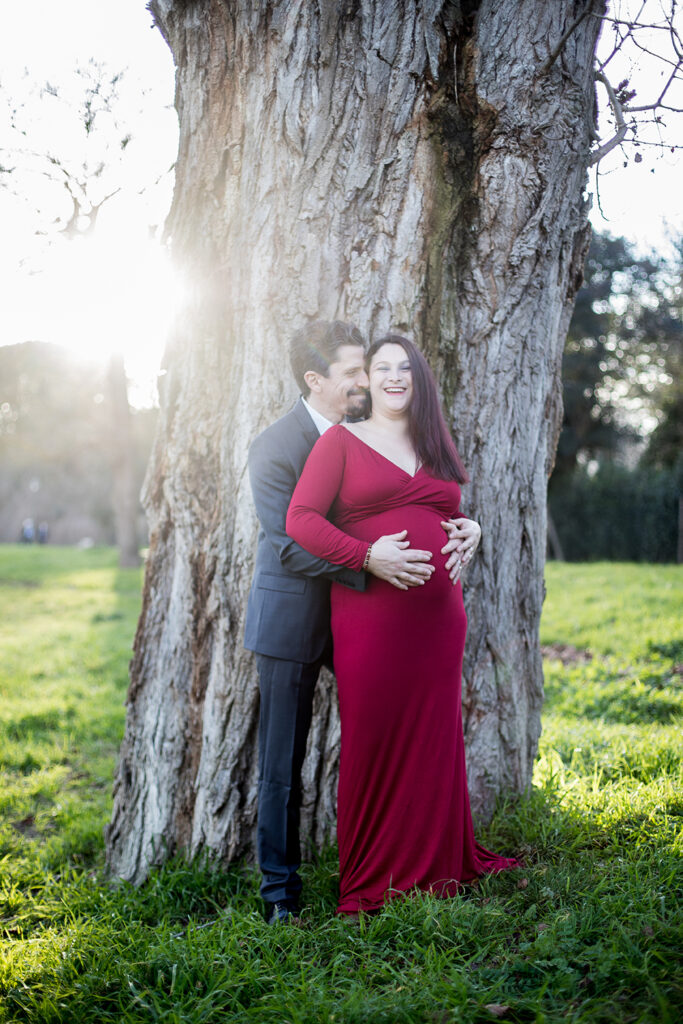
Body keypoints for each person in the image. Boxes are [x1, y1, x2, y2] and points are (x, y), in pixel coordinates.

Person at [286, 333, 518, 916]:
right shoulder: (341, 441)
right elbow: (301, 520)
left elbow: (448, 511)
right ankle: (372, 879)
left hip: (439, 622)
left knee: (434, 740)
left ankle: (439, 865)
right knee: (375, 740)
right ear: (367, 378)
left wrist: (474, 531)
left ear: (418, 379)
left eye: (403, 368)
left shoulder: (434, 443)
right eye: (380, 367)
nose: (392, 377)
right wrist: (368, 556)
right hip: (372, 619)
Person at [245, 321, 459, 925]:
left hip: (363, 620)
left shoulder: (363, 436)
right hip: (293, 620)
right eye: (353, 373)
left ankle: (406, 860)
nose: (367, 381)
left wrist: (459, 528)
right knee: (282, 763)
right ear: (317, 380)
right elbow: (289, 542)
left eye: (369, 369)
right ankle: (279, 894)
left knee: (390, 729)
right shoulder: (275, 445)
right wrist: (369, 561)